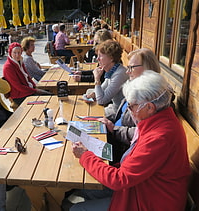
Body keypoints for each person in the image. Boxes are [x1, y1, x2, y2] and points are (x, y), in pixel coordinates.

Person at [71, 70, 191, 211]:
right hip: (143, 187)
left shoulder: (160, 137)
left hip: (151, 201)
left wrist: (86, 156)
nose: (129, 110)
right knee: (84, 189)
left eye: (132, 106)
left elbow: (119, 180)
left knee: (77, 209)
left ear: (149, 107)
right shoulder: (160, 122)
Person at [101, 48, 162, 162]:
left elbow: (141, 134)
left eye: (131, 68)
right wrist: (109, 122)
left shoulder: (154, 99)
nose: (127, 72)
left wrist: (114, 129)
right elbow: (121, 115)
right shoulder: (135, 89)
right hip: (114, 137)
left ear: (148, 68)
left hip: (122, 149)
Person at [83, 40, 128, 115]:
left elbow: (102, 100)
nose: (97, 59)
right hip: (112, 108)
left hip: (118, 113)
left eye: (100, 56)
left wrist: (97, 79)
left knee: (89, 114)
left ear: (111, 58)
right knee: (88, 92)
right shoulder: (112, 71)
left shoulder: (119, 74)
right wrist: (92, 94)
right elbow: (102, 89)